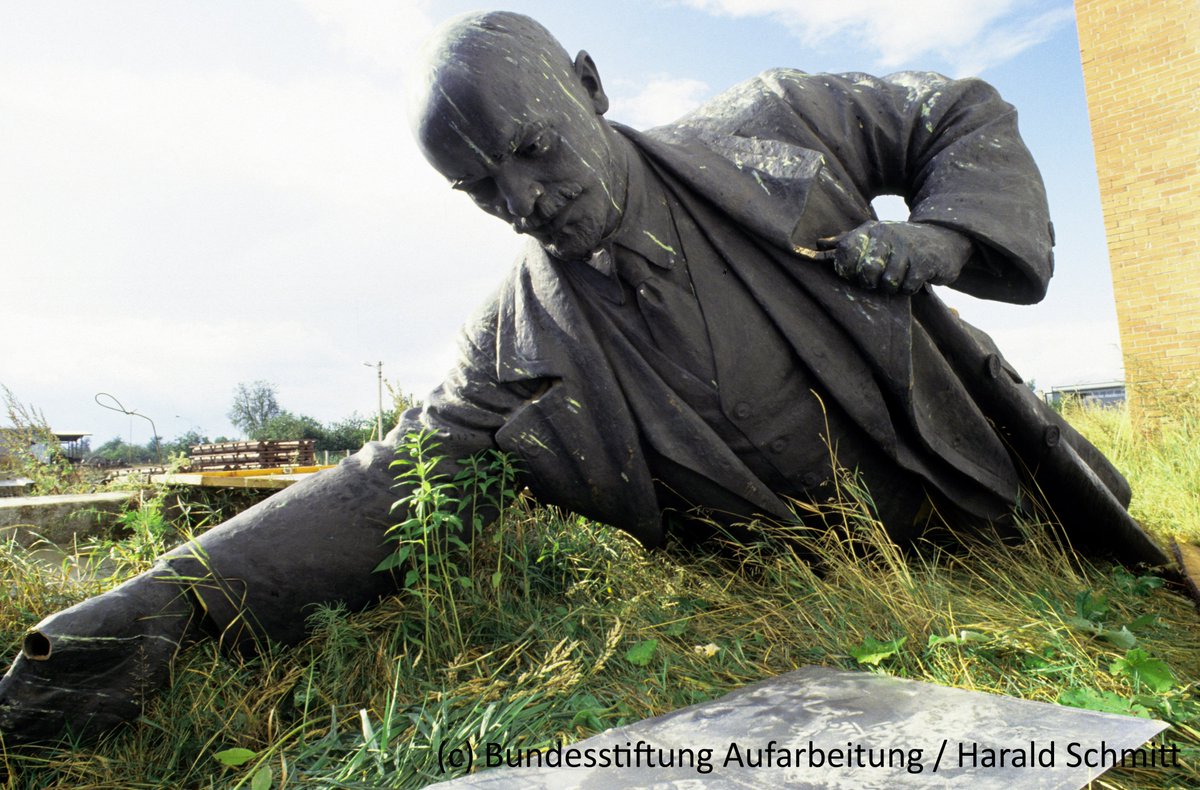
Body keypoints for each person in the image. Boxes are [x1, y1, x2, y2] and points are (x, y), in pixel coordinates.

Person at [0, 10, 1170, 746]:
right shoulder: (513, 346)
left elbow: (953, 105)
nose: (524, 201)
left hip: (1009, 524)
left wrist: (948, 240)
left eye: (532, 149)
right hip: (822, 622)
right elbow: (379, 487)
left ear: (592, 87)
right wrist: (169, 595)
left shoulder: (784, 126)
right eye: (482, 190)